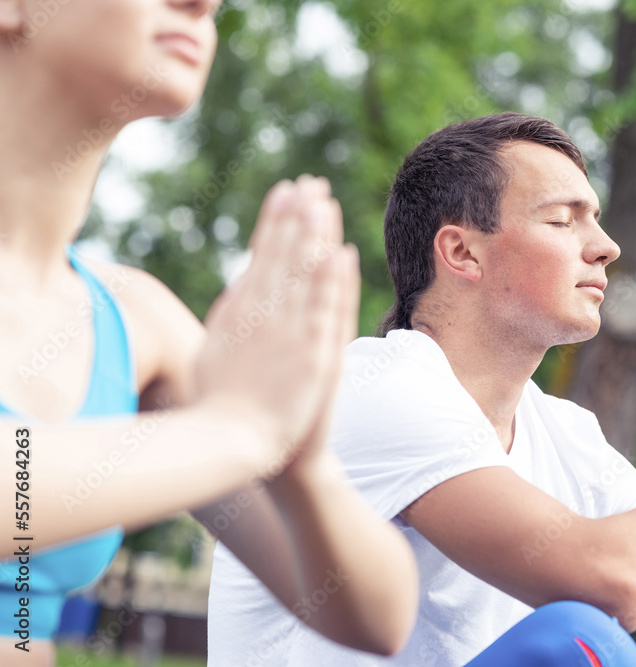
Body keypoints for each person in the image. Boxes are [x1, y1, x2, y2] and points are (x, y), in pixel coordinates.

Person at [207, 112, 636, 666]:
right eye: (562, 219)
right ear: (463, 252)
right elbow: (615, 582)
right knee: (575, 644)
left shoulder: (569, 438)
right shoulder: (381, 390)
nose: (605, 247)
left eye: (595, 219)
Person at [0, 1, 417, 664]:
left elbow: (378, 616)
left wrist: (300, 465)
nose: (203, 4)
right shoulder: (224, 415)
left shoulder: (138, 320)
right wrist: (239, 429)